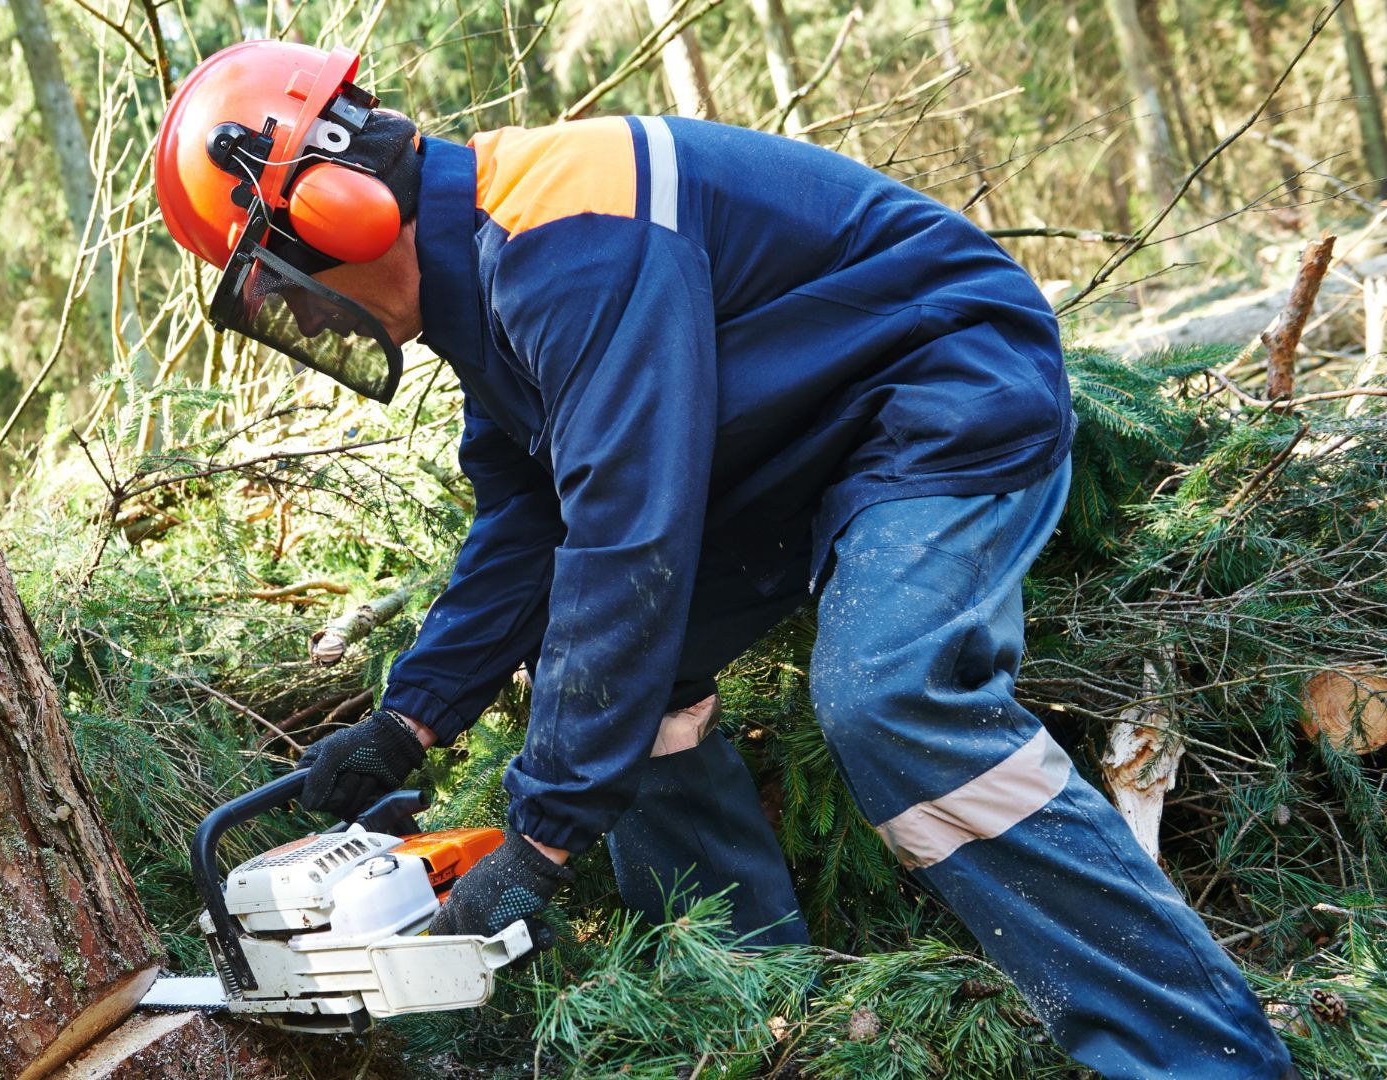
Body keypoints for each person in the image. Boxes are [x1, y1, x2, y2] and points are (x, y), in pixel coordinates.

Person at [151, 40, 1295, 1079]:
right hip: (786, 447)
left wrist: (541, 837)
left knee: (890, 698)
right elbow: (528, 524)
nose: (296, 312)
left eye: (276, 275)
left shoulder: (565, 241)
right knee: (613, 695)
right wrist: (410, 720)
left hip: (940, 391)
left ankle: (1201, 1056)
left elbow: (626, 534)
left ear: (336, 212)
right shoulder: (485, 275)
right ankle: (757, 1023)